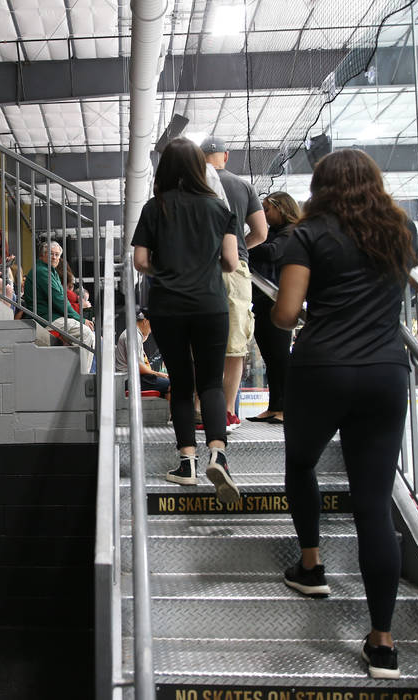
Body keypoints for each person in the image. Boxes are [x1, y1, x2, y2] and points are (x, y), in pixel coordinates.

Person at [271, 149, 418, 680]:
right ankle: (382, 642)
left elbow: (287, 315)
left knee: (301, 463)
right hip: (385, 372)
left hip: (323, 369)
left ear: (321, 186)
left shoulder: (307, 235)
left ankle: (310, 565)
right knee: (373, 507)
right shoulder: (401, 229)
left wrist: (290, 307)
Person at [131, 137, 239, 503]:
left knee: (181, 381)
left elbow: (140, 261)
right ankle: (219, 455)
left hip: (169, 306)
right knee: (210, 383)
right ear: (199, 168)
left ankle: (187, 465)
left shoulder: (153, 208)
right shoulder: (218, 208)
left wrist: (170, 267)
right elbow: (231, 262)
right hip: (211, 304)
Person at [201, 137, 268, 432]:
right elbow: (261, 232)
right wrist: (240, 247)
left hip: (199, 270)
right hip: (235, 268)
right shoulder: (244, 187)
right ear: (225, 156)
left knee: (199, 341)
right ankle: (227, 411)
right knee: (235, 344)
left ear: (201, 158)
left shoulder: (192, 187)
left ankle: (199, 410)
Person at [246, 192, 301, 424]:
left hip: (276, 300)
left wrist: (242, 244)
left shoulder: (290, 233)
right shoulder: (274, 233)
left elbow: (272, 253)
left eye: (268, 210)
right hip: (262, 299)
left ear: (282, 208)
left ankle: (286, 407)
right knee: (271, 357)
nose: (265, 216)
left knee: (279, 356)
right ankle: (274, 405)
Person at [21, 238, 95, 347]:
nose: (54, 257)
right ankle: (83, 365)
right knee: (86, 334)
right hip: (46, 318)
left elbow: (61, 299)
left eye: (57, 255)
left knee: (83, 338)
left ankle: (76, 364)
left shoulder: (50, 271)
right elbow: (58, 300)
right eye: (51, 254)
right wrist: (81, 320)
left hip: (53, 317)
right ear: (42, 255)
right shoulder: (42, 271)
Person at [116, 311, 170, 398]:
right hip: (129, 379)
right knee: (170, 384)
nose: (152, 330)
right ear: (145, 321)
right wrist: (157, 374)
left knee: (166, 384)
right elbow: (137, 367)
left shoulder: (135, 334)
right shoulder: (134, 336)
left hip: (132, 377)